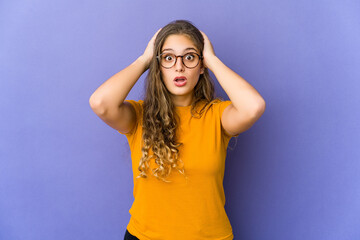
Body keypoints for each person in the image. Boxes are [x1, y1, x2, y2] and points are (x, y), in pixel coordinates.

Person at [89, 19, 265, 240]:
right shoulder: (139, 116)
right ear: (158, 66)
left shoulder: (217, 116)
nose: (179, 66)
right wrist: (144, 60)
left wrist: (211, 59)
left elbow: (254, 107)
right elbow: (100, 103)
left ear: (201, 66)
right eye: (168, 58)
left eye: (189, 57)